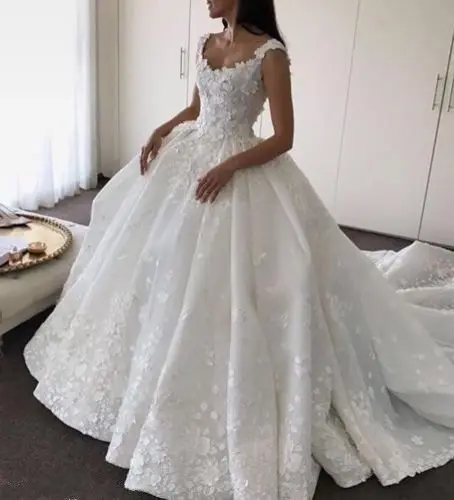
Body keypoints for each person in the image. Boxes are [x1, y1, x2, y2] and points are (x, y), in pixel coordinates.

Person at [24, 0, 454, 498]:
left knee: (244, 276)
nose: (206, 0)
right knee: (157, 258)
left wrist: (230, 166)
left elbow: (284, 138)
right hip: (191, 155)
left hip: (239, 167)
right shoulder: (208, 43)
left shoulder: (270, 54)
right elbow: (196, 110)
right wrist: (161, 130)